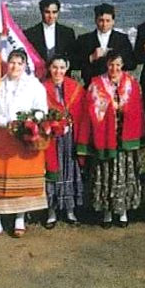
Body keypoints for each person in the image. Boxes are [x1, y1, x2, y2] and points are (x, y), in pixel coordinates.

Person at [0, 49, 49, 239]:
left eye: (19, 63)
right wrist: (6, 123)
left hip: (24, 137)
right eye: (12, 63)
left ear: (25, 66)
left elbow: (41, 109)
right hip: (0, 135)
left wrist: (28, 123)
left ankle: (20, 220)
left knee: (22, 176)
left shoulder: (34, 86)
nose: (15, 67)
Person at [77, 51, 145, 227]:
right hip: (105, 137)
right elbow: (91, 107)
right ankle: (106, 212)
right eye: (111, 64)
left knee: (123, 174)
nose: (114, 68)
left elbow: (137, 108)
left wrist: (123, 108)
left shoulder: (132, 84)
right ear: (106, 65)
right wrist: (108, 106)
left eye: (118, 64)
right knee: (105, 173)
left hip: (123, 137)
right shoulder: (96, 83)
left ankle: (122, 212)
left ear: (122, 65)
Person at [41, 55, 86, 228]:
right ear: (49, 68)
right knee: (53, 170)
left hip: (70, 137)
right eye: (54, 67)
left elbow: (81, 113)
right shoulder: (42, 88)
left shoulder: (75, 88)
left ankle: (70, 210)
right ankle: (51, 212)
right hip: (51, 136)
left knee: (70, 169)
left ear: (66, 69)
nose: (58, 71)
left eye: (61, 68)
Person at [76, 3, 137, 87]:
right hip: (91, 86)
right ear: (95, 20)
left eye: (108, 21)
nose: (104, 24)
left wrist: (117, 59)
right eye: (101, 20)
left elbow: (132, 64)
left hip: (116, 86)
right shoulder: (84, 39)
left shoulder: (122, 39)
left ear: (113, 21)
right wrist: (91, 57)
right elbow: (75, 64)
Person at [23, 0, 77, 65]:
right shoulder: (30, 34)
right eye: (47, 12)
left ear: (58, 12)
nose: (51, 16)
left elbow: (72, 59)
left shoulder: (68, 33)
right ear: (41, 12)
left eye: (54, 12)